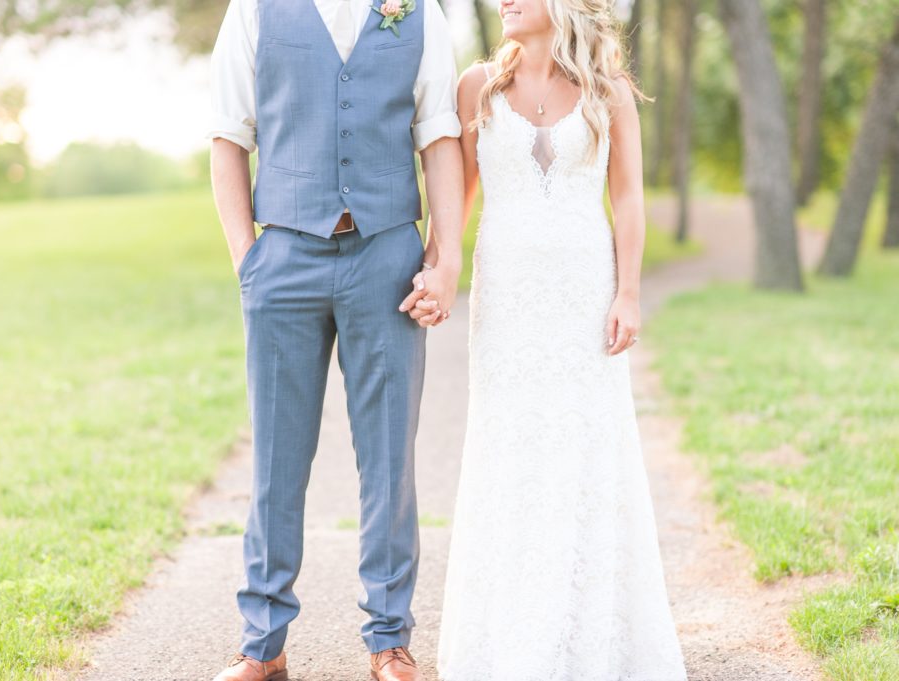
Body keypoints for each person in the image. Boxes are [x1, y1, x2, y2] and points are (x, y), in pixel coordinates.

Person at [422, 0, 689, 678]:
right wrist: (436, 264)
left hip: (583, 295)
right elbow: (460, 194)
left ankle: (589, 636)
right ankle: (507, 639)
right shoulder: (477, 86)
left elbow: (627, 198)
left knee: (584, 446)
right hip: (506, 300)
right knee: (509, 445)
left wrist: (628, 290)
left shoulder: (610, 90)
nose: (505, 1)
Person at [205, 1, 464, 680]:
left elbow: (440, 138)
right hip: (284, 259)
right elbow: (229, 136)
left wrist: (445, 255)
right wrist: (248, 260)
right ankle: (262, 642)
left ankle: (388, 638)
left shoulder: (419, 14)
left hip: (388, 259)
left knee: (388, 458)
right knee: (274, 459)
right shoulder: (255, 11)